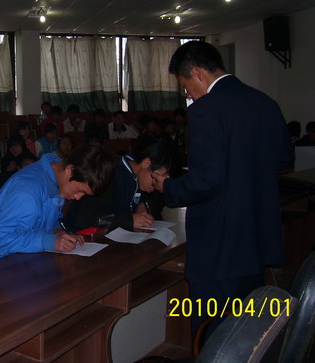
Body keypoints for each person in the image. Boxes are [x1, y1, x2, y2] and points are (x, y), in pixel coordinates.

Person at [151, 41, 292, 334]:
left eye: (185, 87)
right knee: (247, 331)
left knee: (213, 332)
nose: (189, 95)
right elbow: (283, 160)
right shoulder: (265, 103)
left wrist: (169, 186)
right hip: (256, 240)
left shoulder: (206, 109)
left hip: (220, 246)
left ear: (197, 73)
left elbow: (207, 180)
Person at [0, 144, 115, 264]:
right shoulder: (28, 190)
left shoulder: (56, 178)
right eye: (80, 190)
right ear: (70, 170)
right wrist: (49, 242)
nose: (78, 197)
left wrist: (60, 234)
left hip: (26, 263)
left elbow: (44, 223)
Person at [67, 141, 173, 232]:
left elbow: (159, 198)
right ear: (146, 163)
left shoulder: (141, 176)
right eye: (155, 178)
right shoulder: (109, 175)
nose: (156, 185)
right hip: (80, 238)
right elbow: (86, 221)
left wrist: (144, 204)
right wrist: (130, 220)